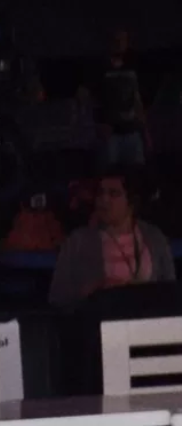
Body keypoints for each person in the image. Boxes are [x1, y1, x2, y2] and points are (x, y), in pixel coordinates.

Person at [48, 167, 177, 308]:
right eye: (100, 193)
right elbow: (57, 297)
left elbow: (170, 292)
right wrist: (89, 293)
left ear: (131, 201)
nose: (104, 200)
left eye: (113, 193)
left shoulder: (154, 238)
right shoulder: (78, 242)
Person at [80, 28, 150, 168]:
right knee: (110, 173)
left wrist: (145, 133)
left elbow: (137, 100)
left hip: (132, 132)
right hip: (110, 136)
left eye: (123, 40)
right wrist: (96, 123)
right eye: (117, 40)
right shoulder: (100, 67)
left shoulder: (132, 66)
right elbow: (82, 95)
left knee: (136, 172)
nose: (120, 44)